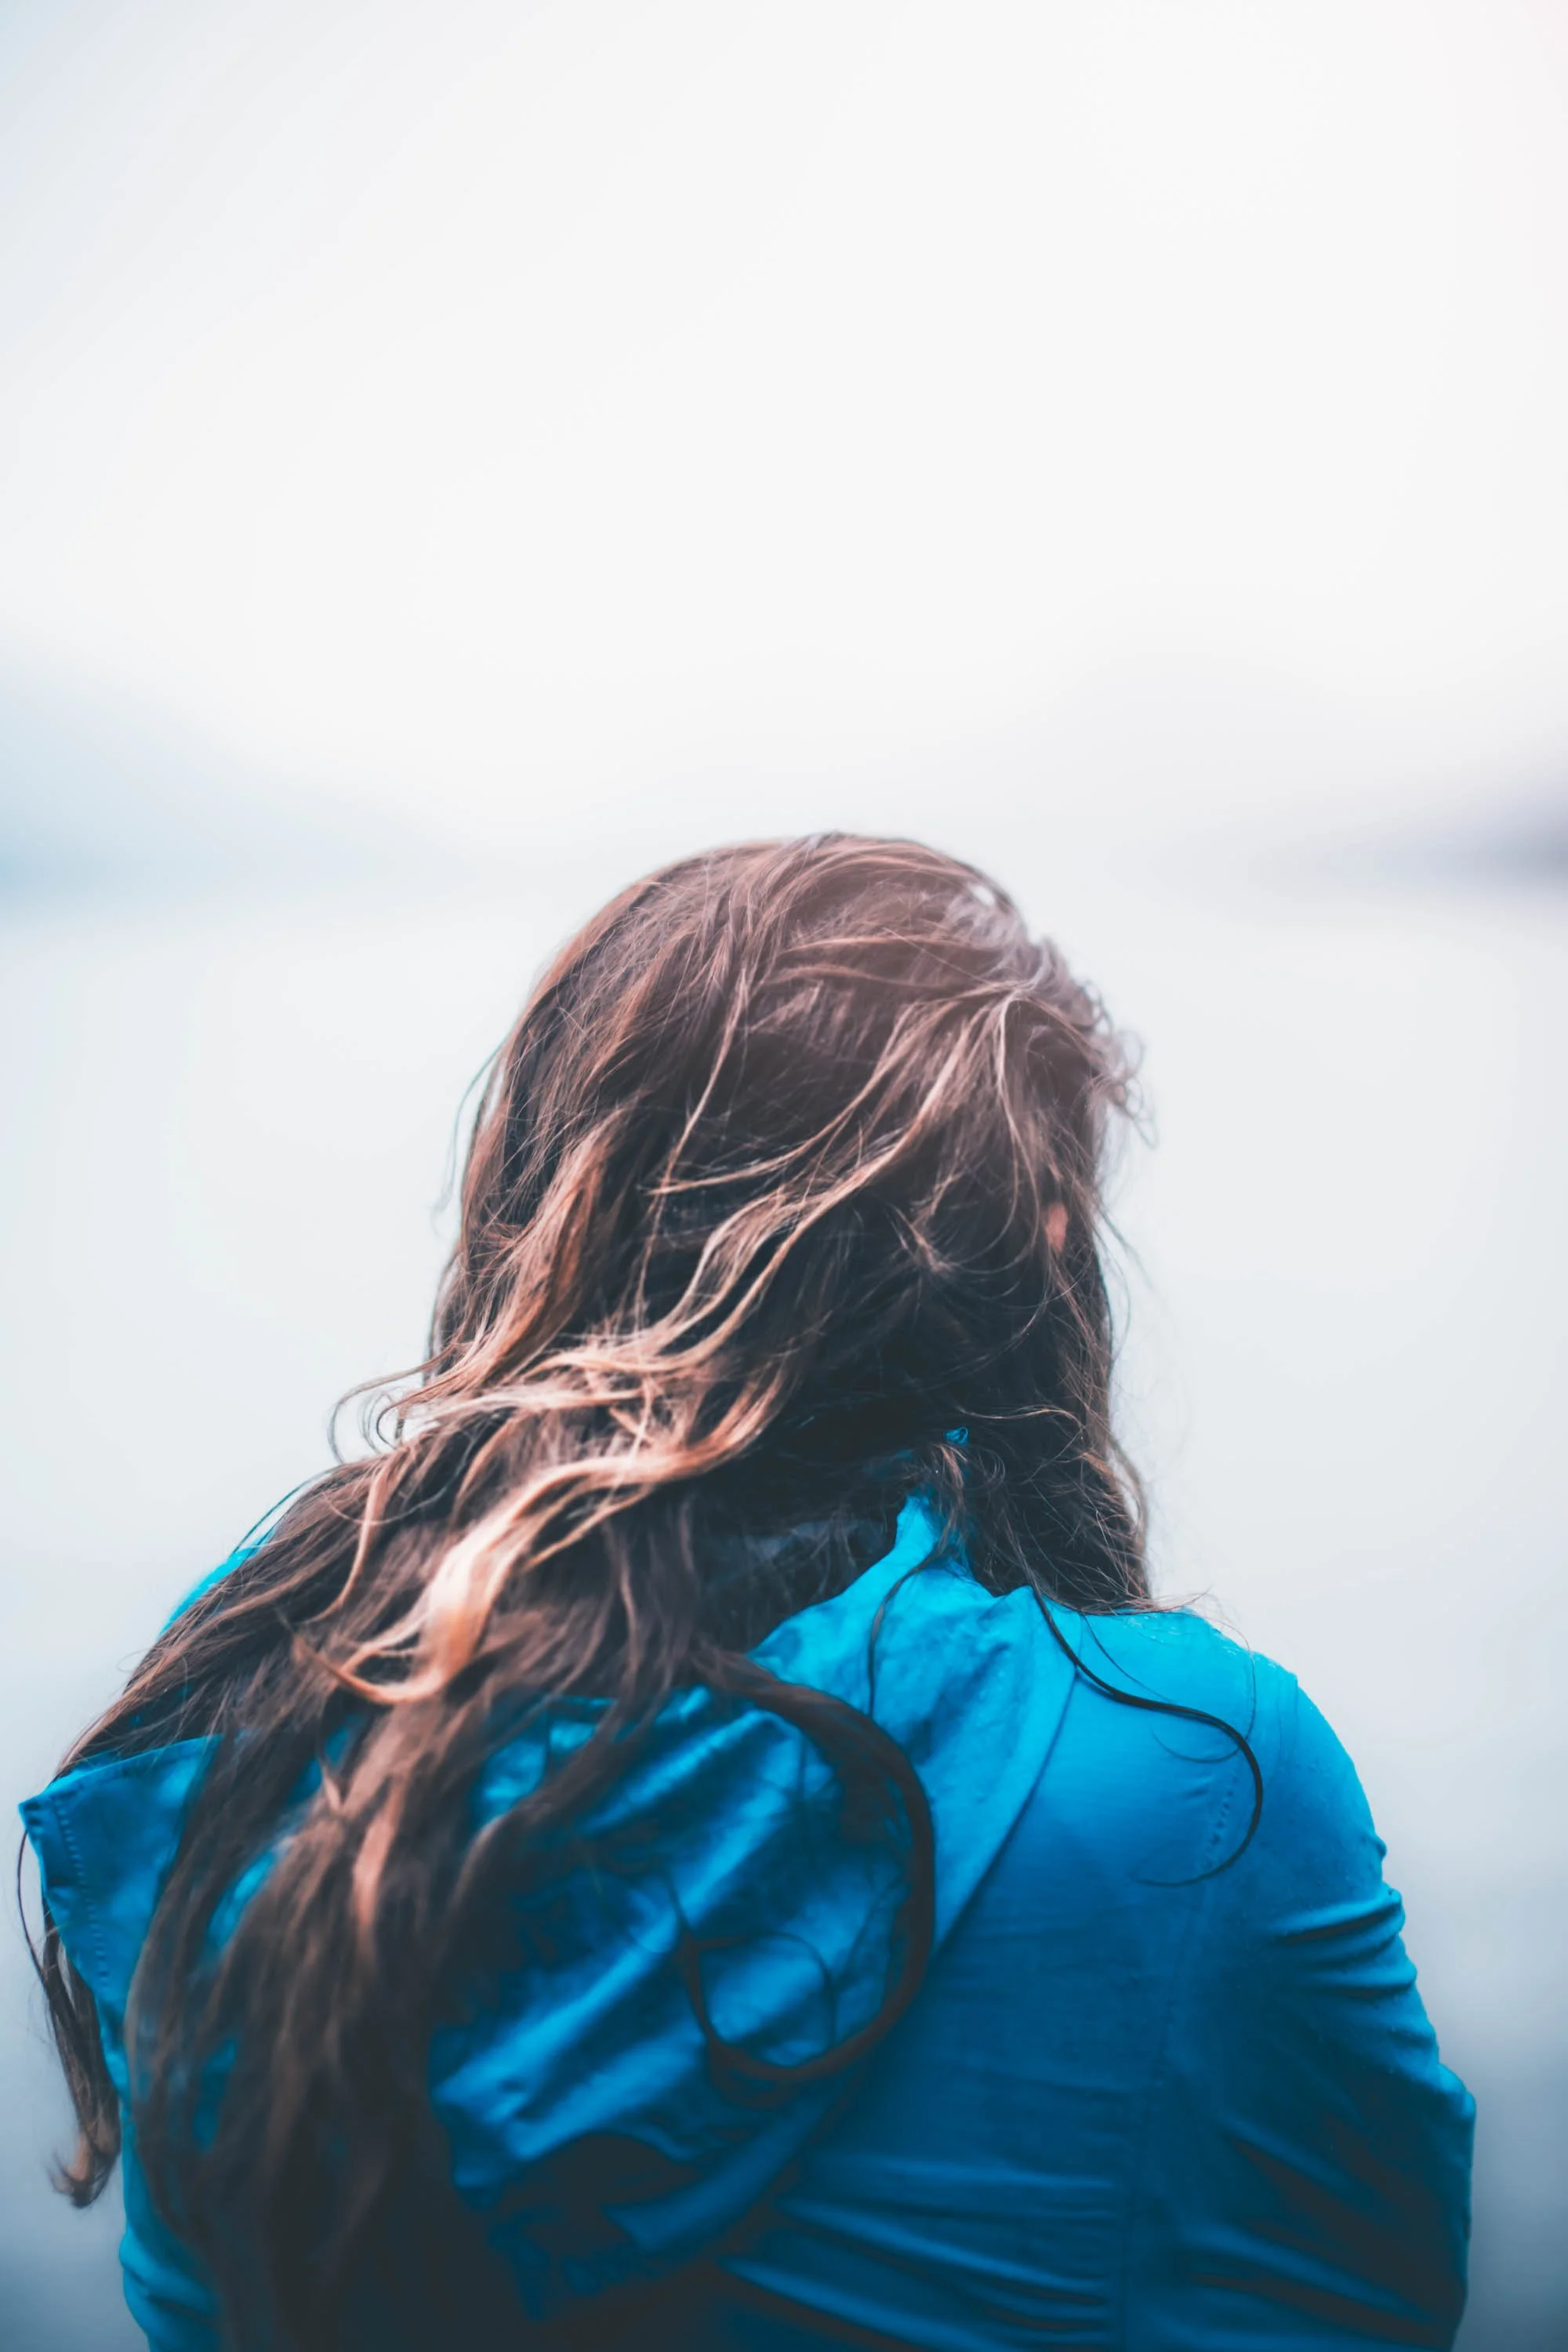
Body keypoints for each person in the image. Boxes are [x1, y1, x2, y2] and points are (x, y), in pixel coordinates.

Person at [22, 836, 1472, 2350]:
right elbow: (1369, 2297)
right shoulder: (1195, 1770)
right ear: (1033, 1245)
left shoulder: (234, 1722)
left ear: (541, 1185)